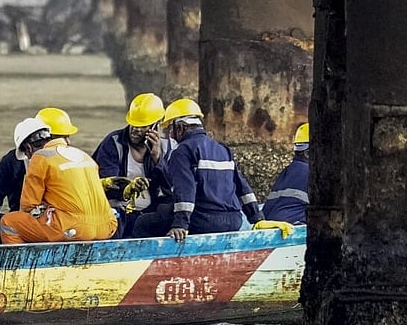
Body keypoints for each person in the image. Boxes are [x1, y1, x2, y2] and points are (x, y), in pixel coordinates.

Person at [132, 99, 293, 242]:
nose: (171, 136)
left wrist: (180, 224)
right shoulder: (223, 149)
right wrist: (257, 219)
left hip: (203, 221)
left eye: (171, 130)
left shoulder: (182, 151)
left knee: (143, 222)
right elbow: (243, 188)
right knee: (164, 209)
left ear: (180, 128)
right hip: (233, 220)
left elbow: (185, 191)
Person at [0, 118, 117, 244]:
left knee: (9, 222)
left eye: (27, 155)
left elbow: (28, 205)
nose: (28, 158)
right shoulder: (82, 155)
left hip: (72, 229)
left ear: (28, 147)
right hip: (107, 226)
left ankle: (21, 263)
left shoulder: (40, 157)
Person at [92, 93, 174, 237]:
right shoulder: (113, 143)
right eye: (133, 124)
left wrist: (157, 159)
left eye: (142, 126)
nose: (135, 129)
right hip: (118, 213)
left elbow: (171, 189)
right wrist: (128, 188)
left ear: (156, 126)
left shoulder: (167, 147)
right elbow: (105, 183)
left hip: (149, 213)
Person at [0, 107, 78, 213]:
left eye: (67, 137)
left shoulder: (70, 159)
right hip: (47, 220)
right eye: (62, 137)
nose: (67, 142)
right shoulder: (15, 162)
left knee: (7, 223)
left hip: (55, 219)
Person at [262, 123, 309, 224]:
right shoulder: (311, 173)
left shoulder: (289, 171)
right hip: (291, 227)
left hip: (272, 226)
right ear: (308, 153)